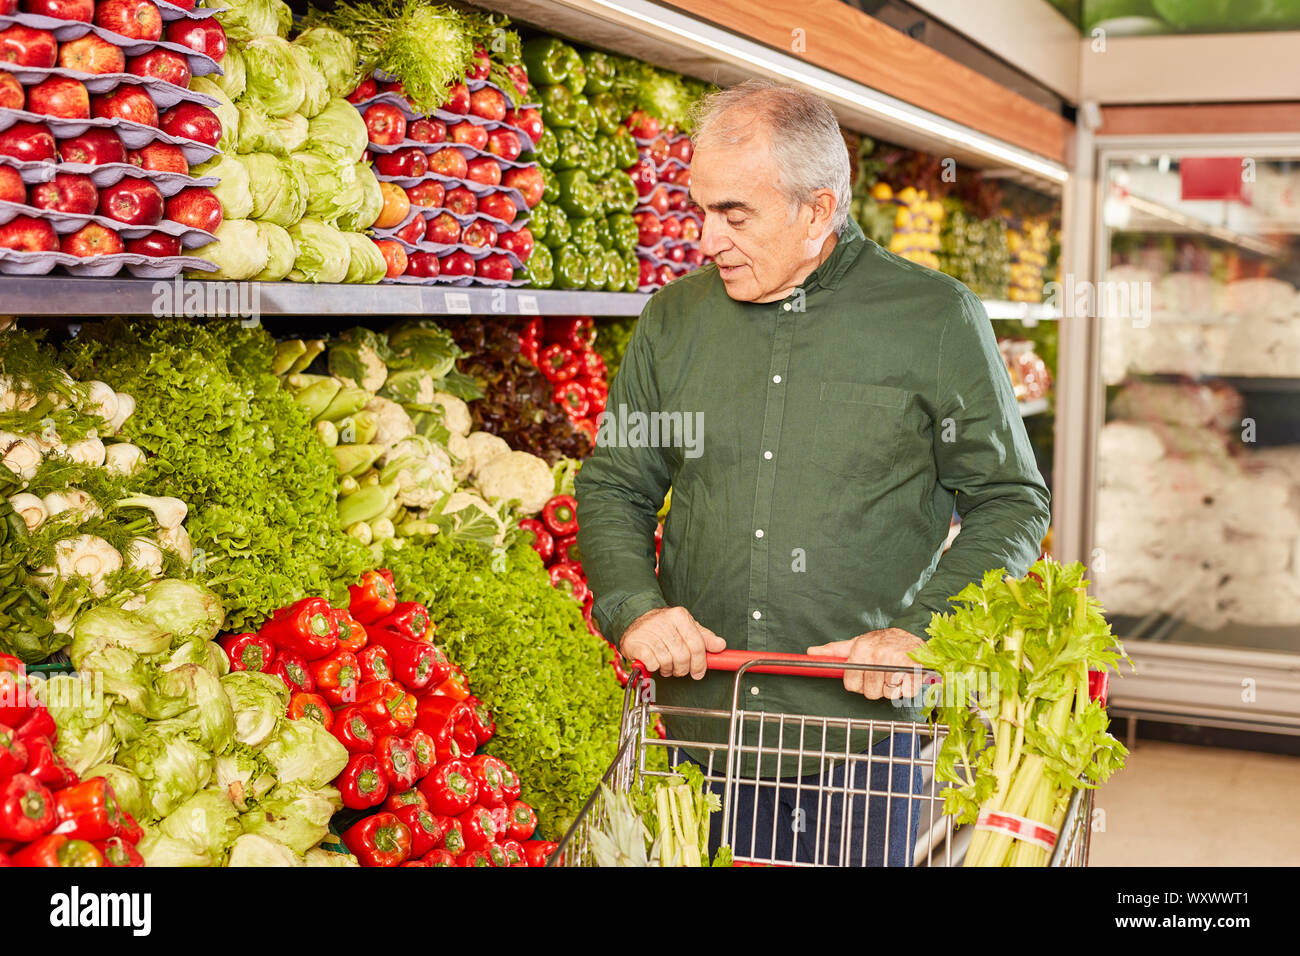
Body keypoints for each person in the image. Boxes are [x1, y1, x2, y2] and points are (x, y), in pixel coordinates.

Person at [575, 79, 1050, 866]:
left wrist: (920, 632)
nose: (705, 240)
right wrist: (635, 608)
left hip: (862, 752)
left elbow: (1009, 500)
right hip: (697, 737)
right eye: (699, 209)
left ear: (818, 210)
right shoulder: (676, 319)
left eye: (734, 214)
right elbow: (617, 483)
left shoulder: (932, 319)